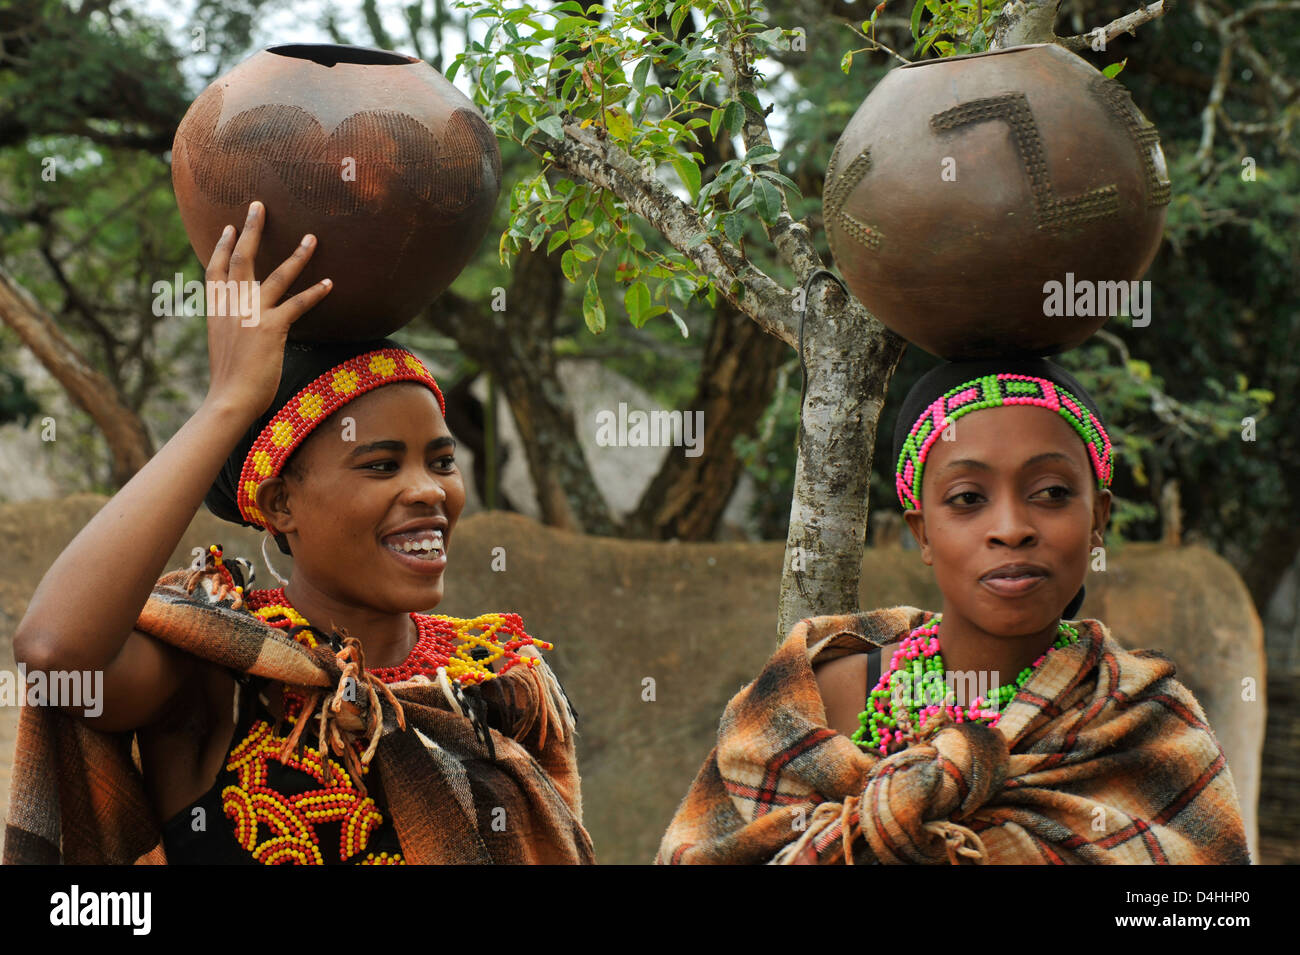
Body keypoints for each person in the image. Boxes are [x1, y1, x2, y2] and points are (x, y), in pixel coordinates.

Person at [5, 201, 594, 865]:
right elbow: (54, 655)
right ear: (280, 503)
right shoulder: (220, 674)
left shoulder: (502, 679)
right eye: (381, 464)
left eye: (441, 460)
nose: (430, 490)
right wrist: (228, 401)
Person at [655, 357, 1250, 864]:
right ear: (922, 532)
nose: (1011, 528)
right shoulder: (812, 702)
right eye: (967, 498)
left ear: (1098, 518)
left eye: (1051, 493)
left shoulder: (1146, 725)